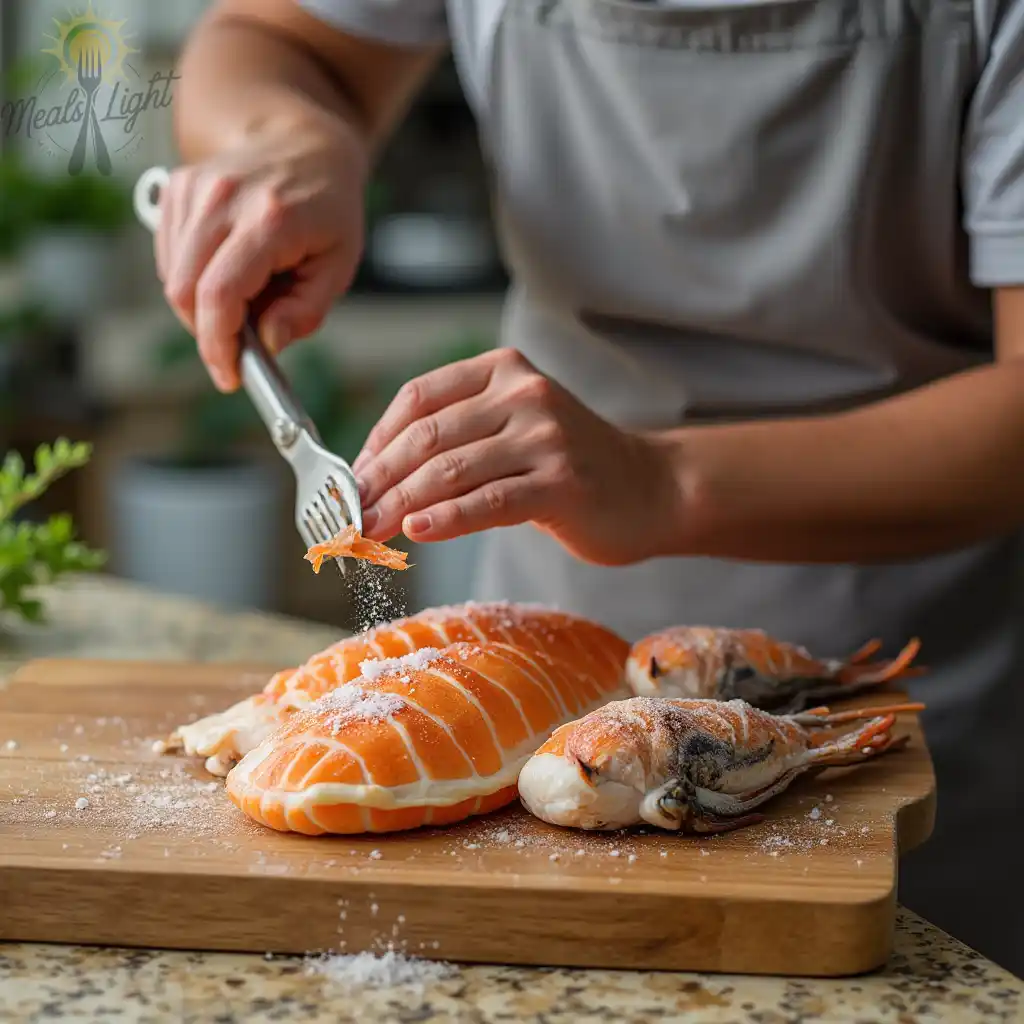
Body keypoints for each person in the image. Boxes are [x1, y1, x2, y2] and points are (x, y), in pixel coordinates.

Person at [158, 0, 1024, 975]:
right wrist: (289, 139)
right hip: (532, 654)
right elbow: (273, 38)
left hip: (890, 695)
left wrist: (662, 481)